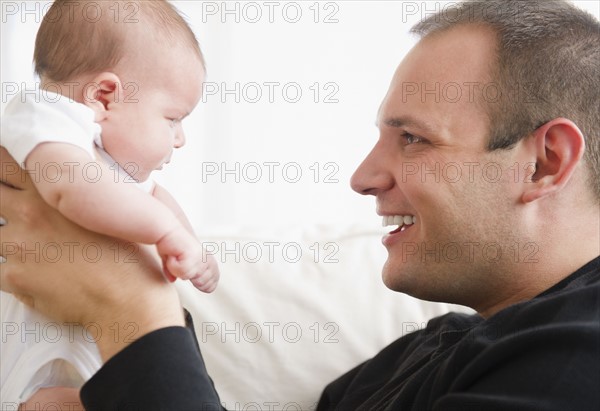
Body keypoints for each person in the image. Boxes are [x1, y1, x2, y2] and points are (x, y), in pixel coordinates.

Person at [1, 0, 598, 409]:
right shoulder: (425, 355)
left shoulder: (577, 357)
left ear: (545, 162)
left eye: (413, 138)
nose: (363, 178)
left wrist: (128, 308)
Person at [0, 0, 219, 409]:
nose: (180, 138)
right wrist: (167, 232)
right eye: (172, 118)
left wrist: (193, 245)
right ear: (104, 95)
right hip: (32, 362)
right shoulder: (44, 118)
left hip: (94, 357)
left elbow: (157, 197)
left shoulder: (115, 166)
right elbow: (72, 187)